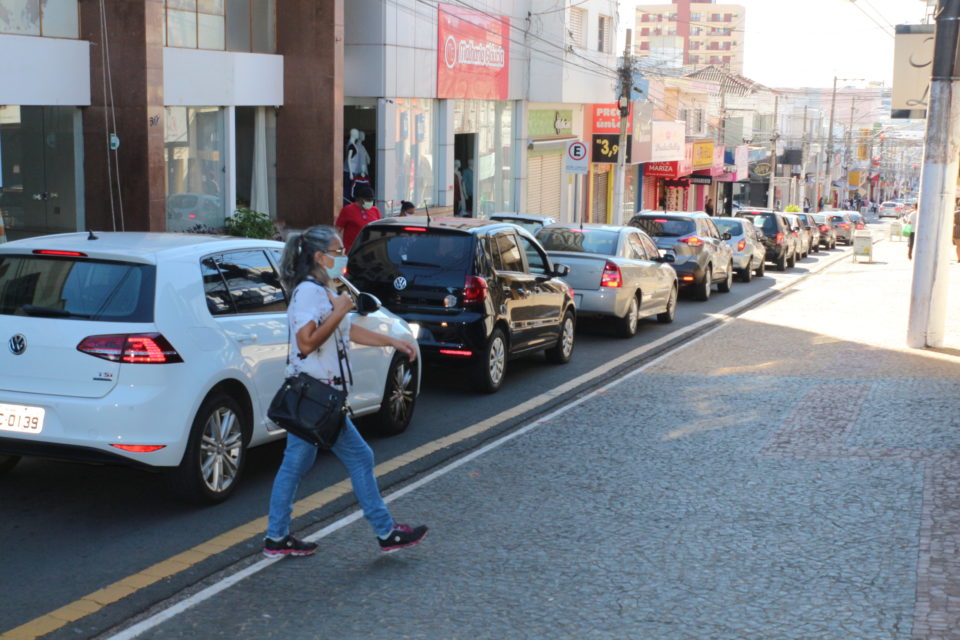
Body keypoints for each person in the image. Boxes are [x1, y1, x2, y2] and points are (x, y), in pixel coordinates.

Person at [263, 226, 427, 557]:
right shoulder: (308, 293)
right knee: (359, 456)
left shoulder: (323, 290)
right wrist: (339, 310)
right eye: (338, 252)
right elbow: (306, 343)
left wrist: (393, 340)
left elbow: (348, 330)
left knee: (295, 465)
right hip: (317, 397)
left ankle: (277, 537)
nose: (344, 258)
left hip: (319, 396)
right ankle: (385, 531)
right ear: (319, 257)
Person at [335, 185, 381, 252]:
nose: (370, 202)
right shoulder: (348, 210)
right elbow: (337, 230)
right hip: (352, 251)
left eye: (372, 200)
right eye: (368, 200)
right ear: (360, 199)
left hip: (370, 249)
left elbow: (379, 229)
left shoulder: (375, 210)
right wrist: (338, 249)